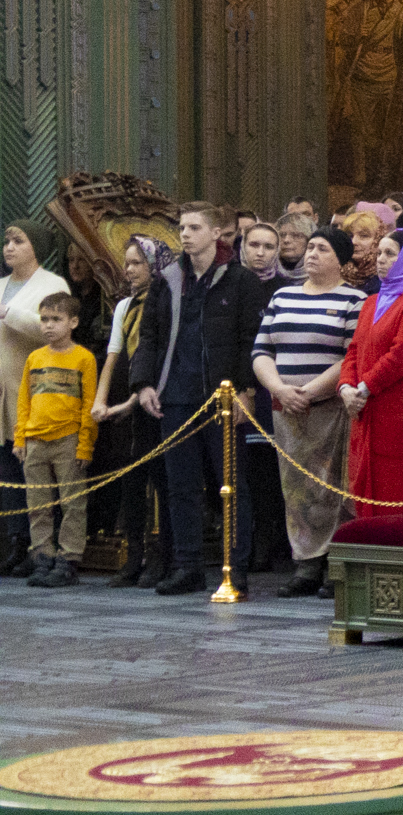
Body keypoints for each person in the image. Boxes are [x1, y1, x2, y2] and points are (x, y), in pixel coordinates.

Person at [131, 203, 264, 594]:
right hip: (176, 393)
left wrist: (246, 390)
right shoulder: (168, 278)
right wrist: (144, 384)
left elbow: (248, 341)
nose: (185, 234)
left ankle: (234, 566)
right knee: (180, 484)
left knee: (230, 484)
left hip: (221, 395)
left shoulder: (240, 280)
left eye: (193, 227)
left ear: (217, 233)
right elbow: (150, 336)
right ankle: (187, 564)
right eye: (182, 227)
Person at [253, 231, 365, 596]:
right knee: (295, 488)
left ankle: (335, 562)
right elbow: (262, 351)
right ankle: (305, 564)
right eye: (311, 247)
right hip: (286, 409)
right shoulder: (282, 295)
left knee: (332, 486)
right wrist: (280, 389)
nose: (312, 254)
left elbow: (352, 357)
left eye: (323, 249)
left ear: (342, 260)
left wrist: (310, 391)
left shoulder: (355, 299)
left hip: (329, 409)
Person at [339, 231, 403, 512]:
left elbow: (402, 355)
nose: (381, 260)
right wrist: (346, 387)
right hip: (364, 407)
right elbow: (354, 350)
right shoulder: (372, 302)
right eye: (379, 253)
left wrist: (364, 387)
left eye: (390, 254)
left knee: (398, 490)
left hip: (400, 414)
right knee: (364, 486)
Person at [0, 223, 72, 579]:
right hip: (1, 388)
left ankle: (41, 547)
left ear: (36, 247)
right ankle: (15, 542)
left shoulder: (52, 284)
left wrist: (9, 314)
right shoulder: (0, 285)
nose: (9, 247)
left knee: (33, 468)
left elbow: (51, 329)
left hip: (33, 390)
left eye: (18, 241)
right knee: (6, 468)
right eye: (7, 241)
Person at [14, 291, 93, 587]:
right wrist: (20, 437)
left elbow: (89, 405)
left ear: (73, 322)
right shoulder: (35, 358)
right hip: (34, 440)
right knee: (37, 503)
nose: (48, 325)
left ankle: (69, 557)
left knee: (72, 502)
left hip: (68, 439)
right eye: (44, 319)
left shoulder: (83, 358)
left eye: (56, 319)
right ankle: (43, 555)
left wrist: (85, 443)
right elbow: (24, 400)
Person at [96, 239, 162, 587]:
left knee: (162, 482)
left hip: (156, 397)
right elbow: (113, 355)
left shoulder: (165, 300)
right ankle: (133, 556)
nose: (130, 269)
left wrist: (131, 401)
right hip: (129, 392)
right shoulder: (124, 306)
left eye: (138, 262)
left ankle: (160, 557)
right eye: (127, 263)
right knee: (132, 480)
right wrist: (101, 399)